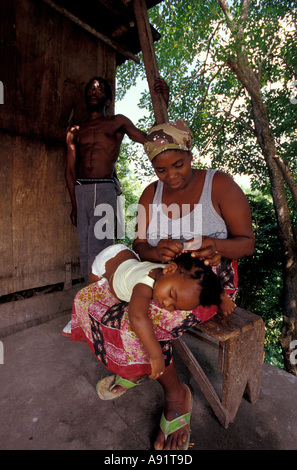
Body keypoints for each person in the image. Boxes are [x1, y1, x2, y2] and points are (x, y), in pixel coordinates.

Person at [129, 119, 255, 450]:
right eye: (160, 169)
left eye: (179, 164)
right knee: (110, 306)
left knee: (145, 325)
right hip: (162, 275)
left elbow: (247, 243)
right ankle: (130, 361)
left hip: (209, 284)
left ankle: (176, 395)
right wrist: (155, 250)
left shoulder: (220, 185)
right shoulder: (150, 194)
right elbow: (139, 245)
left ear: (189, 151)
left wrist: (218, 246)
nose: (171, 176)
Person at [63, 76, 169, 336]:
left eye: (99, 88)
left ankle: (99, 312)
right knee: (85, 253)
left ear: (107, 99)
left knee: (102, 253)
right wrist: (74, 203)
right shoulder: (75, 129)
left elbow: (150, 141)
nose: (93, 90)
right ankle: (85, 311)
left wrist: (164, 102)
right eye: (90, 87)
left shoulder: (117, 121)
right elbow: (68, 169)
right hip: (82, 190)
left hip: (105, 189)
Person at [87, 243, 233, 380]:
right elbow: (137, 317)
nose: (166, 304)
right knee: (90, 295)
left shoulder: (173, 273)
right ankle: (77, 321)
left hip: (126, 257)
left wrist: (221, 296)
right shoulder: (143, 286)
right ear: (169, 269)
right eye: (171, 294)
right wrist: (156, 355)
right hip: (104, 264)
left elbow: (207, 280)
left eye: (176, 308)